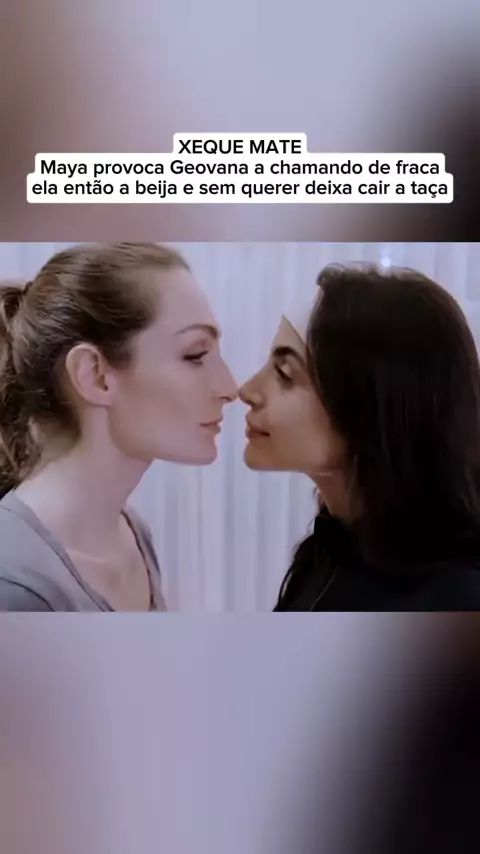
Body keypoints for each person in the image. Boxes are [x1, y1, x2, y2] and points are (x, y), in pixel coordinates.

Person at [0, 242, 237, 611]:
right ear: (95, 375)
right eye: (195, 355)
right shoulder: (13, 584)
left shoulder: (131, 531)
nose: (229, 388)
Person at [239, 263, 480, 611]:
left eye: (284, 374)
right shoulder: (327, 552)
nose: (246, 390)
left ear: (369, 410)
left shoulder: (456, 597)